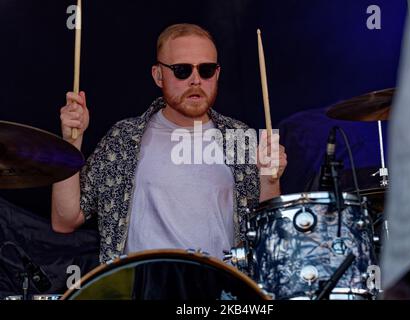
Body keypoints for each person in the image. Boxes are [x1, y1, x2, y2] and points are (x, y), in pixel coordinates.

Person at [51, 23, 287, 264]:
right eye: (182, 70)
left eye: (205, 70)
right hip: (143, 288)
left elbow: (269, 239)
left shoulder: (238, 136)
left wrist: (270, 181)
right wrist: (70, 144)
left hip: (219, 290)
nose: (196, 80)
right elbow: (65, 220)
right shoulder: (124, 138)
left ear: (217, 74)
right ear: (158, 75)